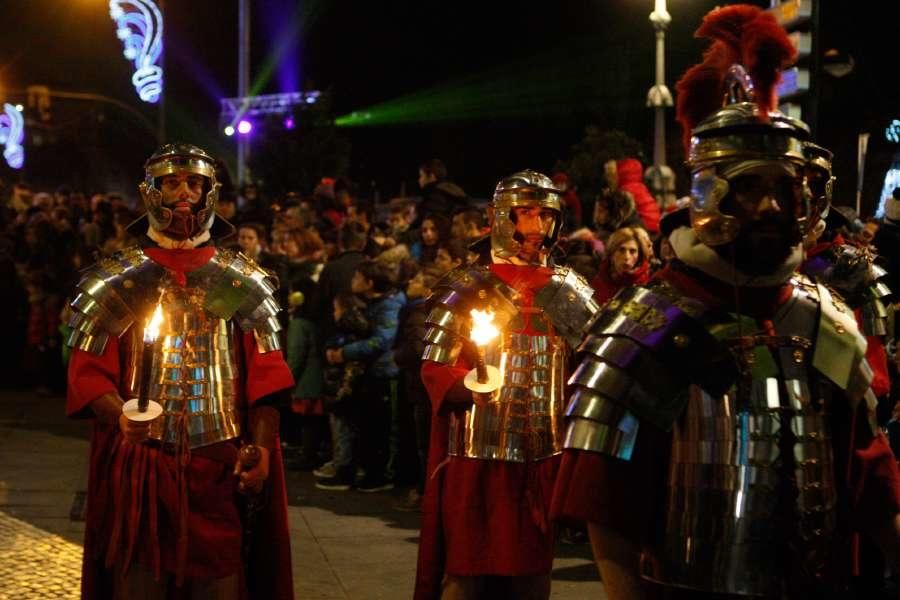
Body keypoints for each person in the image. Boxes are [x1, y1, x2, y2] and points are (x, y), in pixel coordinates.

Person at [552, 6, 900, 599]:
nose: (769, 207)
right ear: (710, 194)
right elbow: (606, 502)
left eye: (782, 188)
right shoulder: (649, 320)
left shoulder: (829, 317)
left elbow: (869, 480)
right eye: (748, 185)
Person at [65, 144, 295, 599]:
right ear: (150, 192)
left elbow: (266, 377)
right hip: (141, 466)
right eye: (172, 182)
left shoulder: (237, 282)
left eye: (195, 183)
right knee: (138, 581)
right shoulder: (118, 280)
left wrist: (262, 450)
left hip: (218, 466)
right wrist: (121, 415)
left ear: (211, 193)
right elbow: (88, 372)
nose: (184, 192)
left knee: (221, 583)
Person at [414, 170, 599, 599]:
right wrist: (467, 387)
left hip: (543, 456)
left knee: (533, 574)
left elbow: (590, 370)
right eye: (525, 214)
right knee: (466, 572)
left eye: (545, 216)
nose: (536, 227)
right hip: (479, 454)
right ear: (502, 219)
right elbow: (435, 366)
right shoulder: (467, 285)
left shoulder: (570, 290)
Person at [590, 226, 653, 305]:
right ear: (612, 253)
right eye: (621, 250)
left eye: (632, 251)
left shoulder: (647, 285)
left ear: (639, 255)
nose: (627, 257)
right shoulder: (600, 280)